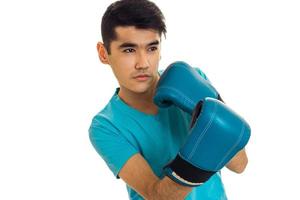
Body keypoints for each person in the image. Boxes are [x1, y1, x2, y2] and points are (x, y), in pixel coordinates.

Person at [89, 0, 249, 199]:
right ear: (104, 53)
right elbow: (158, 196)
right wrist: (199, 158)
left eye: (151, 48)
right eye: (129, 50)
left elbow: (240, 164)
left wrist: (214, 122)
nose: (143, 63)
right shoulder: (106, 126)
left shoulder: (191, 80)